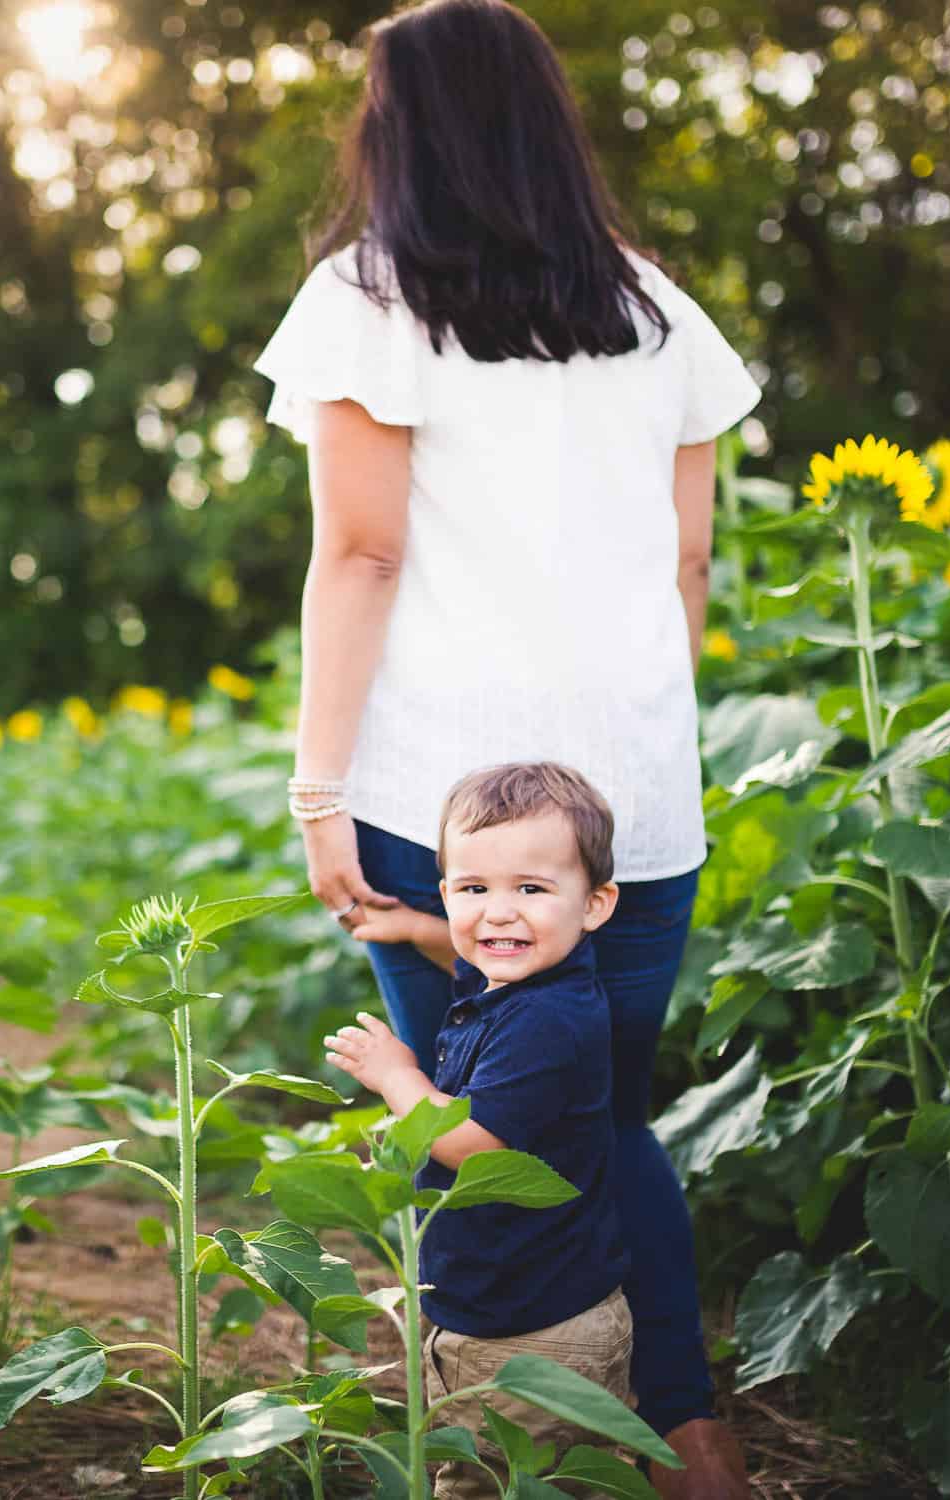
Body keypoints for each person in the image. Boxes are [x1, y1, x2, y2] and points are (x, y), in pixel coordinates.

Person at [252, 1, 758, 1493]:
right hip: (634, 805)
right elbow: (687, 568)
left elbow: (358, 553)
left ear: (394, 126)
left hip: (446, 802)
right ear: (546, 121)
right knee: (604, 1121)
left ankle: (487, 1429)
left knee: (465, 1131)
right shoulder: (656, 309)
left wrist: (318, 789)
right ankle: (686, 1429)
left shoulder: (366, 296)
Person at [324, 763, 631, 1498]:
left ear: (594, 904)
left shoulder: (546, 1023)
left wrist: (396, 1075)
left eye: (530, 889)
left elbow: (472, 1145)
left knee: (500, 1483)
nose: (498, 914)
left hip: (528, 1333)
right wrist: (416, 929)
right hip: (539, 1306)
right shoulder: (529, 980)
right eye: (473, 890)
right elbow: (473, 956)